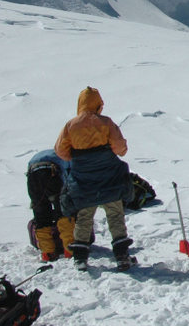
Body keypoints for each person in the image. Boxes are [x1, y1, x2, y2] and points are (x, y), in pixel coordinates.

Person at [55, 86, 135, 270]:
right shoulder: (106, 122)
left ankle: (80, 258)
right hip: (109, 178)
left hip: (84, 181)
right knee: (115, 214)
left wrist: (80, 158)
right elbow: (120, 148)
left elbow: (61, 151)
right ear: (98, 103)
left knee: (84, 217)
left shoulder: (71, 125)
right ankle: (122, 255)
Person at [26, 149, 75, 261]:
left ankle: (47, 253)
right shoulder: (67, 156)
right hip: (51, 174)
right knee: (63, 213)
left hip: (33, 178)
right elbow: (69, 178)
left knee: (41, 215)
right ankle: (70, 249)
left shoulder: (44, 155)